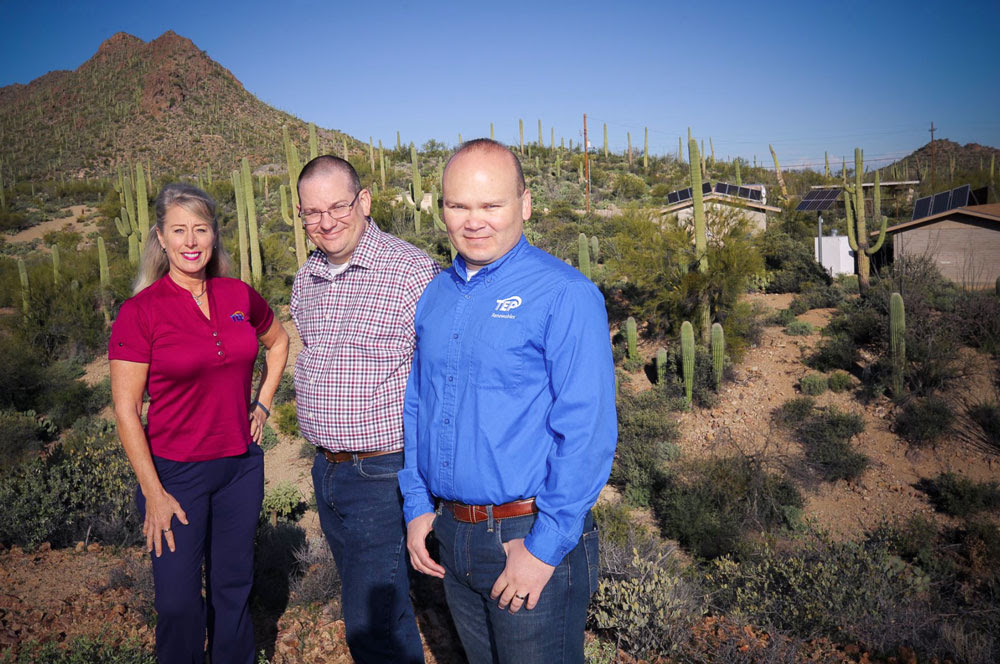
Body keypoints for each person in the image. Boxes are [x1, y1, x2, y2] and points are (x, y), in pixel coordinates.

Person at [399, 139, 617, 664]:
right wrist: (416, 506)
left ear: (524, 204)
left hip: (526, 534)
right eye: (459, 206)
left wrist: (544, 548)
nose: (474, 222)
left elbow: (586, 429)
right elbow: (418, 405)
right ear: (442, 208)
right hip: (454, 534)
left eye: (491, 205)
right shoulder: (438, 293)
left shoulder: (565, 293)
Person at [110, 183, 289, 664]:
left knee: (233, 589)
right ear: (161, 239)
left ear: (214, 236)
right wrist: (153, 491)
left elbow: (278, 343)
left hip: (239, 468)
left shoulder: (238, 295)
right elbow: (126, 410)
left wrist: (264, 402)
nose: (191, 241)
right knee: (177, 602)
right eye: (179, 230)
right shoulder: (140, 312)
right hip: (176, 474)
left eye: (201, 229)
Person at [290, 155, 439, 663]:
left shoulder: (411, 271)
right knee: (366, 600)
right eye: (312, 212)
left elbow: (439, 378)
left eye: (338, 206)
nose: (326, 222)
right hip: (326, 468)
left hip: (381, 471)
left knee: (376, 619)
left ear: (364, 202)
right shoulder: (306, 277)